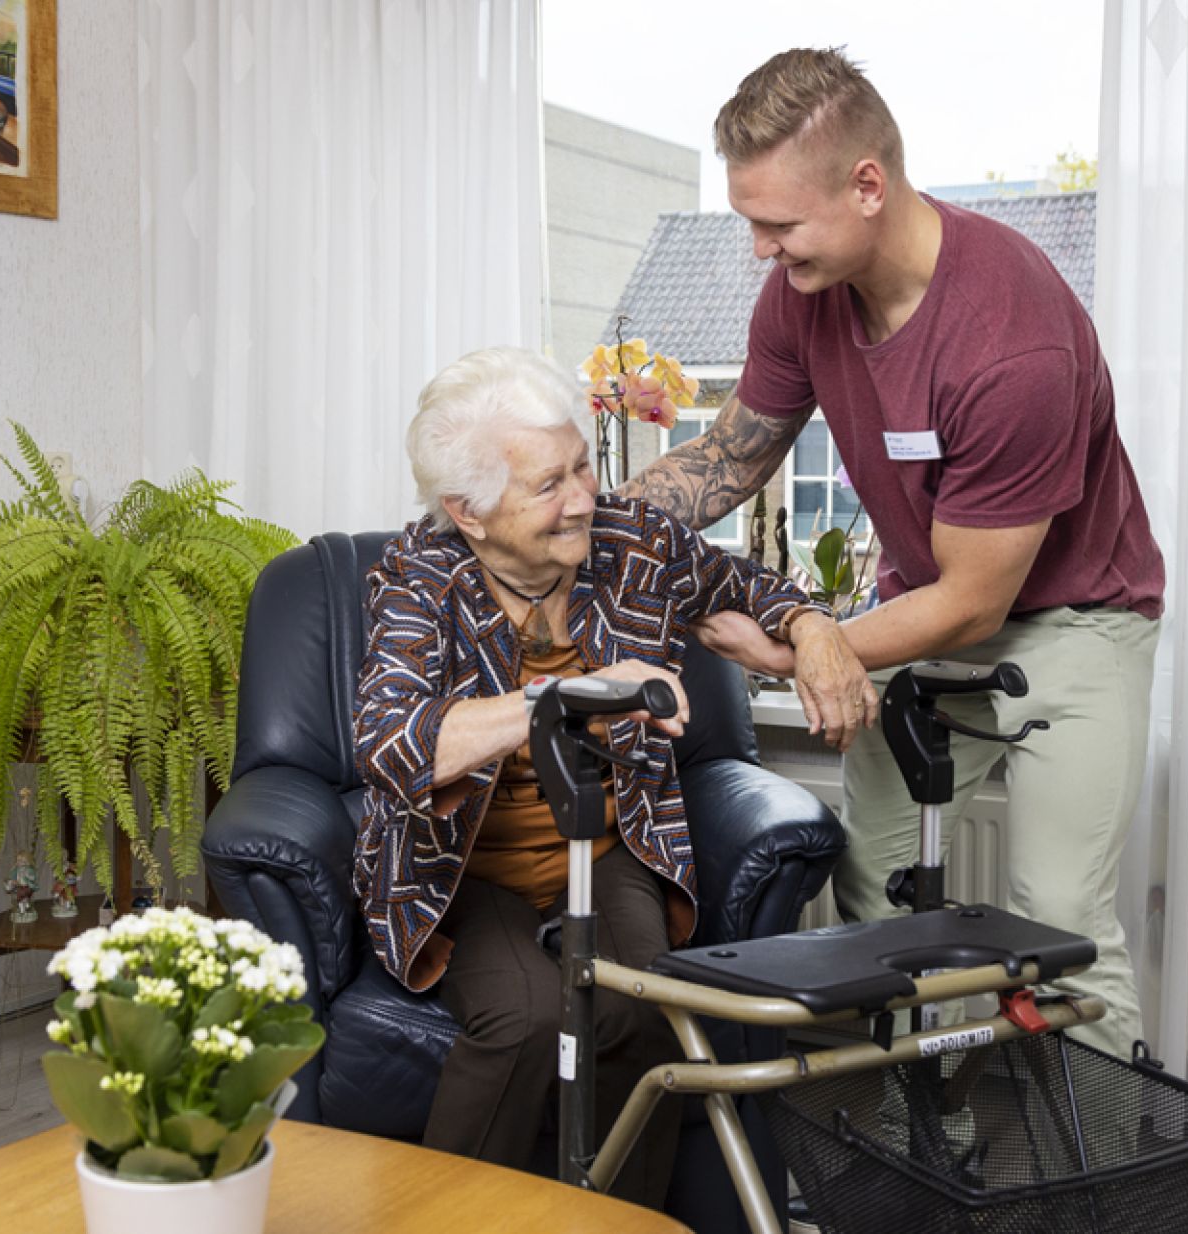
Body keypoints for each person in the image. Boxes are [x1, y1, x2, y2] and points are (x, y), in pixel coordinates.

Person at [623, 48, 1164, 1057]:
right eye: (751, 222)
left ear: (867, 184)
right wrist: (600, 522)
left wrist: (812, 642)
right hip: (922, 599)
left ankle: (1108, 1195)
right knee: (872, 893)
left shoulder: (1013, 340)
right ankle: (899, 1159)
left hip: (1075, 621)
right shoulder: (802, 291)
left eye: (778, 224)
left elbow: (973, 603)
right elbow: (732, 456)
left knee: (1060, 920)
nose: (758, 249)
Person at [351, 346, 862, 1204]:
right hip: (464, 867)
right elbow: (393, 743)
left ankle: (610, 1224)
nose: (585, 498)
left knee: (641, 1008)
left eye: (582, 466)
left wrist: (813, 629)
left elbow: (754, 588)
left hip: (610, 841)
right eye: (548, 485)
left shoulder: (633, 542)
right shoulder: (417, 576)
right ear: (467, 513)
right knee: (522, 1019)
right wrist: (584, 693)